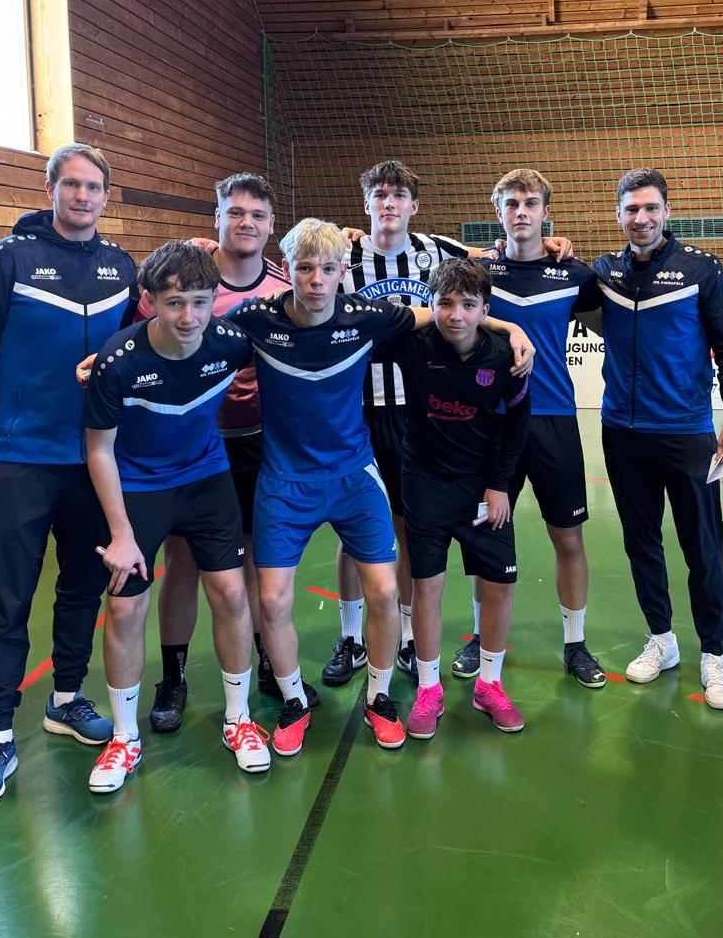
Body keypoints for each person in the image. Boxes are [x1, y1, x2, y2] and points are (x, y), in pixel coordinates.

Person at [225, 219, 535, 756]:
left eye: (327, 269)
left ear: (342, 271)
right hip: (284, 483)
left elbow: (444, 313)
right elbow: (189, 333)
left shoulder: (366, 316)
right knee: (271, 600)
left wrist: (509, 327)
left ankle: (380, 697)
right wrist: (118, 357)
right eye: (304, 268)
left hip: (354, 477)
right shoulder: (256, 319)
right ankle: (295, 702)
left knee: (388, 592)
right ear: (286, 270)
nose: (316, 280)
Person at [327, 160, 570, 690]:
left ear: (414, 205)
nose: (389, 204)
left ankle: (408, 637)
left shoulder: (435, 250)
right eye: (379, 195)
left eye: (398, 195)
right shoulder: (342, 255)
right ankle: (349, 637)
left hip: (416, 409)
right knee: (355, 527)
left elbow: (496, 259)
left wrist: (547, 255)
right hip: (358, 409)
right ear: (365, 204)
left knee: (408, 529)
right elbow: (295, 271)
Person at [0, 143, 138, 804]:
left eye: (94, 187)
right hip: (21, 458)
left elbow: (141, 346)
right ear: (51, 189)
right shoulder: (7, 259)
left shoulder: (122, 266)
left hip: (94, 462)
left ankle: (66, 698)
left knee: (82, 590)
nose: (83, 196)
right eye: (72, 185)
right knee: (8, 599)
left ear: (106, 197)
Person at [128, 173, 316, 737]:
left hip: (260, 441)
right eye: (235, 213)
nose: (246, 223)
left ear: (272, 225)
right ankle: (173, 677)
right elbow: (139, 345)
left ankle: (268, 659)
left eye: (257, 215)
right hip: (193, 445)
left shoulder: (282, 287)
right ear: (217, 218)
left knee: (257, 560)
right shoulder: (186, 275)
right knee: (183, 563)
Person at [80, 242, 271, 790]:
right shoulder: (118, 361)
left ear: (215, 299)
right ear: (150, 302)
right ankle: (124, 738)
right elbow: (99, 450)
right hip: (138, 488)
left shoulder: (231, 341)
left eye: (200, 302)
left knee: (232, 593)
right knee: (124, 609)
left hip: (207, 480)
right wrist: (120, 534)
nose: (189, 317)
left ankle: (239, 720)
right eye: (175, 303)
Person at [581, 168, 723, 709]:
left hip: (687, 433)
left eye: (650, 208)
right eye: (631, 209)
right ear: (618, 216)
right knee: (641, 544)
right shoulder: (604, 273)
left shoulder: (702, 268)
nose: (641, 218)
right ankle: (662, 640)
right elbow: (550, 278)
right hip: (622, 433)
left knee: (703, 549)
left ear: (667, 212)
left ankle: (714, 656)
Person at [453, 169, 606, 689]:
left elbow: (616, 318)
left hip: (554, 420)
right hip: (490, 425)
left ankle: (575, 643)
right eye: (512, 203)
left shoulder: (575, 275)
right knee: (486, 536)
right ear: (497, 212)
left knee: (568, 536)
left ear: (546, 212)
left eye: (531, 203)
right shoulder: (477, 273)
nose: (521, 212)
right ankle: (481, 636)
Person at [375, 259, 533, 738]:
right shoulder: (412, 345)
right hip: (424, 483)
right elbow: (363, 320)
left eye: (468, 305)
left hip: (483, 489)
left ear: (485, 310)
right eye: (445, 303)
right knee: (426, 586)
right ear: (431, 305)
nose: (456, 315)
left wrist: (500, 485)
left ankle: (489, 685)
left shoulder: (506, 356)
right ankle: (429, 688)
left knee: (500, 584)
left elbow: (518, 424)